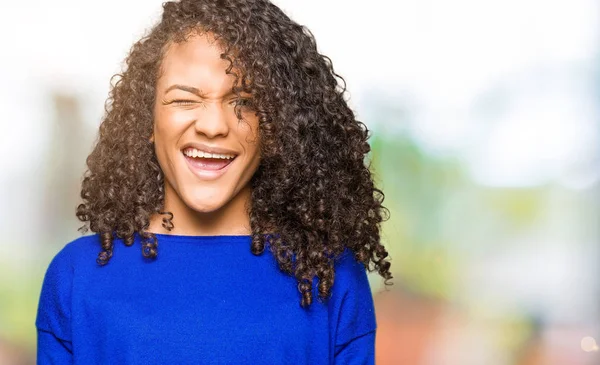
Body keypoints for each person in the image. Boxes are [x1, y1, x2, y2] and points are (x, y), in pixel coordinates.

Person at [35, 0, 393, 363]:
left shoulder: (331, 277)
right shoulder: (77, 277)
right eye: (185, 100)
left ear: (276, 127)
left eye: (243, 101)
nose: (213, 125)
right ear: (147, 119)